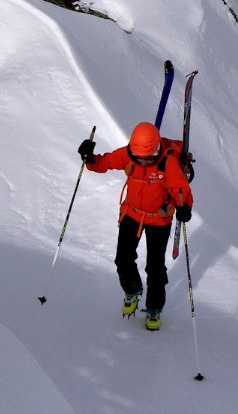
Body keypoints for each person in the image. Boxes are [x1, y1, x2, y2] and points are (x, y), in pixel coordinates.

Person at [79, 121, 192, 330]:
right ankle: (132, 289)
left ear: (156, 150)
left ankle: (154, 308)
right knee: (122, 259)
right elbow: (105, 163)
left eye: (147, 157)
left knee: (155, 267)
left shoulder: (167, 162)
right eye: (139, 156)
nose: (142, 160)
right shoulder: (129, 153)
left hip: (159, 218)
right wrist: (90, 158)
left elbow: (180, 188)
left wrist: (185, 206)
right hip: (131, 214)